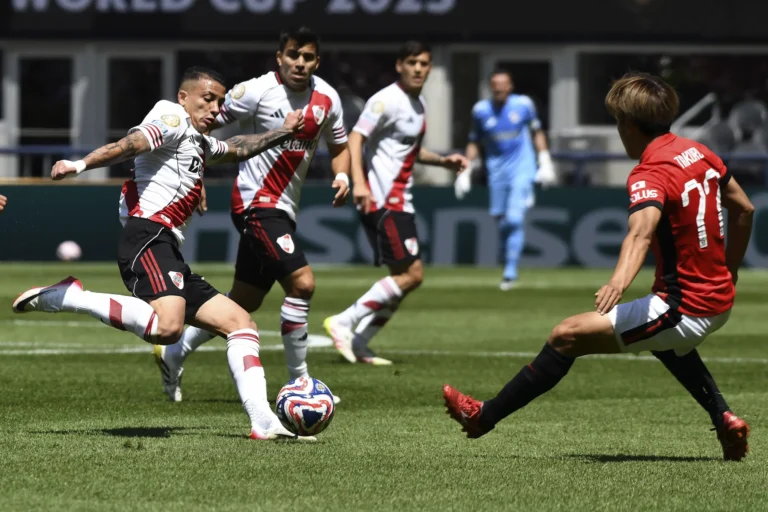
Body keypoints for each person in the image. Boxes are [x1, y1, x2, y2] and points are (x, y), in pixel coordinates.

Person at [444, 72, 753, 461]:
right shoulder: (698, 152)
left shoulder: (650, 171)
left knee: (566, 336)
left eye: (618, 121)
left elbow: (640, 233)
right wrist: (732, 270)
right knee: (666, 345)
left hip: (684, 308)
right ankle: (724, 419)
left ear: (629, 124)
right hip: (719, 301)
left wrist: (618, 282)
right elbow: (744, 208)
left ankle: (481, 417)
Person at [13, 66, 313, 441]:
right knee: (169, 328)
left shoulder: (199, 142)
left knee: (241, 323)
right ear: (183, 97)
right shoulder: (170, 117)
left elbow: (237, 148)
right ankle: (72, 297)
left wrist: (283, 131)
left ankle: (264, 421)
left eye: (220, 102)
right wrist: (81, 164)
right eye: (208, 99)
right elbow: (132, 144)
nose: (216, 109)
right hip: (147, 235)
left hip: (168, 247)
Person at [155, 27, 350, 401]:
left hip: (283, 209)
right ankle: (301, 382)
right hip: (255, 205)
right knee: (303, 284)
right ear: (280, 57)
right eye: (294, 55)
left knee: (244, 300)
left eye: (308, 57)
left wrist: (342, 174)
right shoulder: (256, 91)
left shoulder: (327, 98)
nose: (300, 63)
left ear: (317, 61)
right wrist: (190, 177)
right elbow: (202, 124)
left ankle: (174, 350)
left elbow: (339, 145)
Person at [323, 41, 469, 365]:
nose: (419, 69)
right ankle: (344, 323)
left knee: (403, 280)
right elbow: (355, 138)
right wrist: (359, 183)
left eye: (424, 63)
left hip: (400, 199)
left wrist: (443, 161)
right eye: (413, 62)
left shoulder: (418, 105)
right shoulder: (385, 100)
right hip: (382, 199)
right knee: (412, 276)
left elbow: (409, 150)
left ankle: (360, 343)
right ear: (399, 65)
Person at [456, 69, 556, 290]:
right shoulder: (481, 111)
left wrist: (545, 159)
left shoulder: (523, 105)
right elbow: (474, 140)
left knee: (513, 219)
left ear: (510, 87)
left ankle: (510, 273)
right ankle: (508, 262)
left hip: (522, 168)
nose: (499, 88)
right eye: (495, 85)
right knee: (502, 222)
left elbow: (536, 131)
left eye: (503, 84)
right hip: (496, 171)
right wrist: (465, 169)